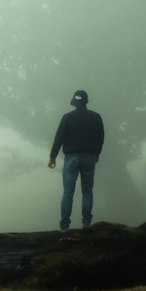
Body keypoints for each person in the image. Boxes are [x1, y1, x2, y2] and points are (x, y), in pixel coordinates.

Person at [49, 89, 105, 230]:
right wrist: (97, 153)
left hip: (71, 158)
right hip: (89, 157)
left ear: (74, 102)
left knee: (68, 192)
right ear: (86, 102)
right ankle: (86, 224)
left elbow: (59, 138)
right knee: (87, 191)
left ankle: (64, 227)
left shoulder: (67, 118)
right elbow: (101, 137)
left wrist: (52, 157)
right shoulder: (96, 117)